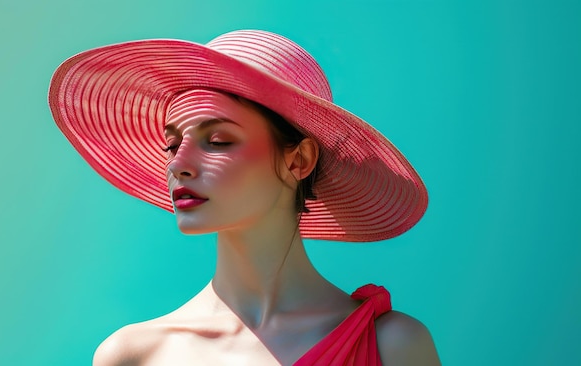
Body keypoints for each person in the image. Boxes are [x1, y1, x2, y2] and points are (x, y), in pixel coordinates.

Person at [49, 30, 440, 365]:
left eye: (218, 141)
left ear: (299, 159)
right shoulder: (132, 355)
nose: (177, 165)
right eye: (171, 145)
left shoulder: (393, 347)